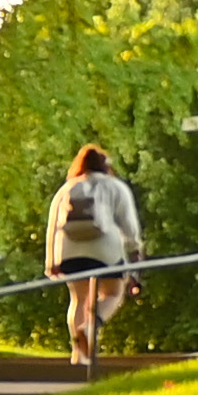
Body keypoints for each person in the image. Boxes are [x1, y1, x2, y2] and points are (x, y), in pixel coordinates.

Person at [46, 142, 143, 372]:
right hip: (105, 251)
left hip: (70, 251)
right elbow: (128, 224)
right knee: (113, 293)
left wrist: (52, 261)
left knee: (78, 299)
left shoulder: (67, 189)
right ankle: (90, 327)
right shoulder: (115, 187)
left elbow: (53, 226)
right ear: (105, 166)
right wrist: (135, 251)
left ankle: (78, 357)